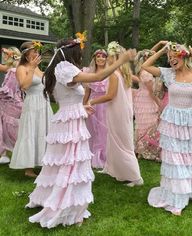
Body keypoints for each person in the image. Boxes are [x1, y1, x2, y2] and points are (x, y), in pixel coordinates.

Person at [26, 36, 137, 228]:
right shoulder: (66, 68)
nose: (80, 54)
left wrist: (82, 107)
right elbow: (96, 77)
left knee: (63, 162)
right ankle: (65, 205)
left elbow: (68, 97)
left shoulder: (59, 69)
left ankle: (54, 198)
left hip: (69, 118)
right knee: (70, 163)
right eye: (79, 51)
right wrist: (120, 61)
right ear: (72, 52)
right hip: (69, 124)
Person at [142, 41, 192, 215]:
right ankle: (178, 199)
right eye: (169, 58)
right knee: (175, 159)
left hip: (190, 122)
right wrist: (162, 50)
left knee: (189, 158)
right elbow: (145, 66)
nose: (170, 61)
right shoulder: (168, 74)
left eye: (173, 57)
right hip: (172, 122)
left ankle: (187, 190)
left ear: (183, 57)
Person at [87, 41, 143, 187]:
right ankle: (111, 168)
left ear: (114, 57)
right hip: (122, 110)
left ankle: (135, 177)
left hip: (117, 110)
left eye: (110, 56)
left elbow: (110, 95)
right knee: (113, 140)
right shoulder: (125, 73)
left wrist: (92, 102)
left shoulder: (114, 74)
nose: (107, 59)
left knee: (122, 143)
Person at [9, 41, 53, 177]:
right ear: (26, 54)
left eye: (37, 51)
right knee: (31, 131)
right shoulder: (21, 68)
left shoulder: (39, 68)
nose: (36, 53)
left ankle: (45, 162)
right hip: (32, 104)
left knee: (45, 131)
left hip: (44, 103)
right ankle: (28, 169)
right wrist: (32, 68)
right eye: (34, 51)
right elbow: (24, 86)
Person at [133, 49, 162, 161]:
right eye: (150, 57)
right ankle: (145, 149)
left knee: (142, 124)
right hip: (147, 100)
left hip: (141, 98)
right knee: (149, 123)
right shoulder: (147, 73)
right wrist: (159, 103)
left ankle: (140, 149)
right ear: (146, 58)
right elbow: (151, 92)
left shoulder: (142, 69)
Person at [83, 49, 108, 169]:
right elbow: (87, 91)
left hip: (105, 105)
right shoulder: (89, 73)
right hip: (92, 105)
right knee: (92, 129)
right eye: (98, 57)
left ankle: (103, 157)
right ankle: (91, 155)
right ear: (95, 59)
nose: (101, 59)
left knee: (104, 130)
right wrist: (83, 106)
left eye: (103, 57)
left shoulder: (110, 73)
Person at [0, 47, 22, 164]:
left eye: (5, 55)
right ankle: (4, 154)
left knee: (11, 130)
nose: (3, 56)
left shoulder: (13, 71)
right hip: (10, 104)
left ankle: (19, 154)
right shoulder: (14, 69)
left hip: (12, 105)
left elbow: (9, 90)